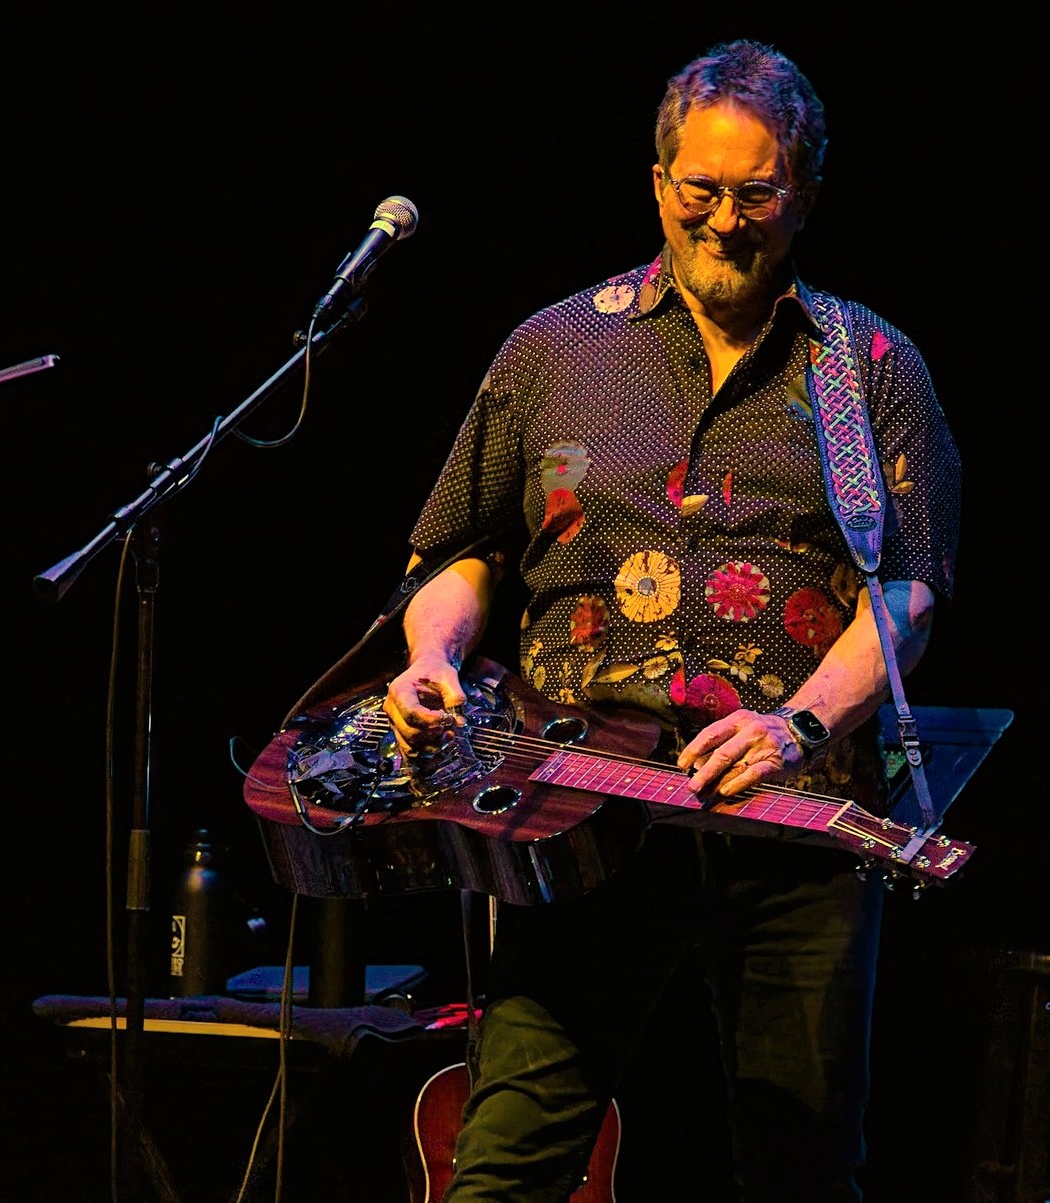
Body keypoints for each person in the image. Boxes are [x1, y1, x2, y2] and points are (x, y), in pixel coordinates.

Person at [380, 39, 961, 1202]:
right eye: (699, 190)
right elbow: (459, 549)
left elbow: (902, 590)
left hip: (791, 822)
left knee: (798, 1169)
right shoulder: (554, 348)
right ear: (657, 183)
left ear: (801, 193)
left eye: (755, 194)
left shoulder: (869, 365)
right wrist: (430, 657)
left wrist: (792, 726)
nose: (724, 220)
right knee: (503, 1165)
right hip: (577, 817)